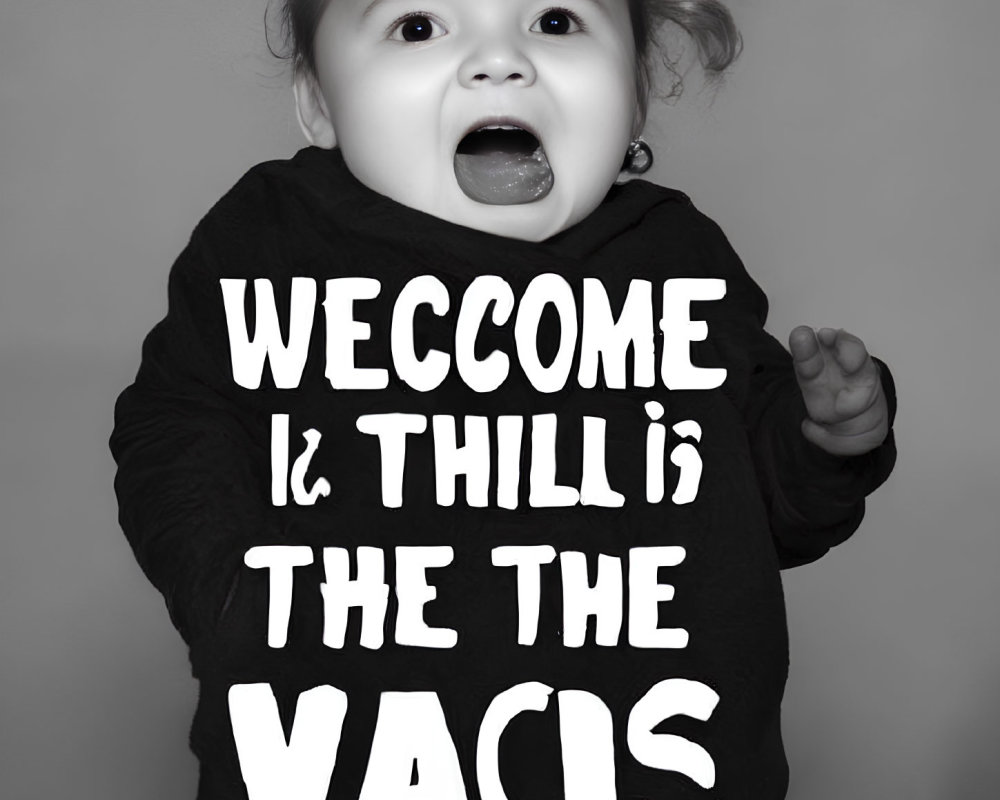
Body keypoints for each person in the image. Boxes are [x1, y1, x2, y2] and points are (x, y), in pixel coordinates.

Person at [109, 1, 898, 797]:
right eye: (417, 26)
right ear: (320, 104)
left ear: (634, 97)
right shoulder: (270, 245)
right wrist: (224, 593)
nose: (499, 61)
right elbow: (177, 426)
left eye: (555, 20)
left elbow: (753, 493)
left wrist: (819, 439)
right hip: (336, 766)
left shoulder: (673, 260)